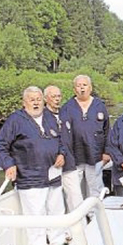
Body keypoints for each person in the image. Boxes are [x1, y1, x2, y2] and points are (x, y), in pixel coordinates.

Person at [0, 86, 66, 245]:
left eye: (38, 99)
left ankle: (59, 244)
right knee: (36, 218)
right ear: (24, 102)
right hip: (30, 178)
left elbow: (61, 140)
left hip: (53, 175)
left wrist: (62, 153)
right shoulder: (15, 120)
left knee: (57, 212)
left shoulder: (49, 117)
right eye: (32, 100)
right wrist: (8, 164)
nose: (36, 103)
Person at [60, 75, 110, 199]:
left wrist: (107, 152)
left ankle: (94, 216)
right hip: (74, 156)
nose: (82, 88)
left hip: (95, 155)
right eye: (78, 85)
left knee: (95, 189)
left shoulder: (100, 106)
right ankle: (78, 216)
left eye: (84, 85)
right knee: (74, 191)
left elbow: (107, 130)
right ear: (74, 89)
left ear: (90, 88)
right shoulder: (67, 108)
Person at [44, 85, 84, 214]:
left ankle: (79, 228)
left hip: (70, 161)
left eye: (59, 96)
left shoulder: (65, 114)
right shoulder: (41, 117)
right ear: (46, 98)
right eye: (53, 96)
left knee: (75, 195)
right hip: (52, 164)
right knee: (54, 200)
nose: (57, 99)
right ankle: (58, 231)